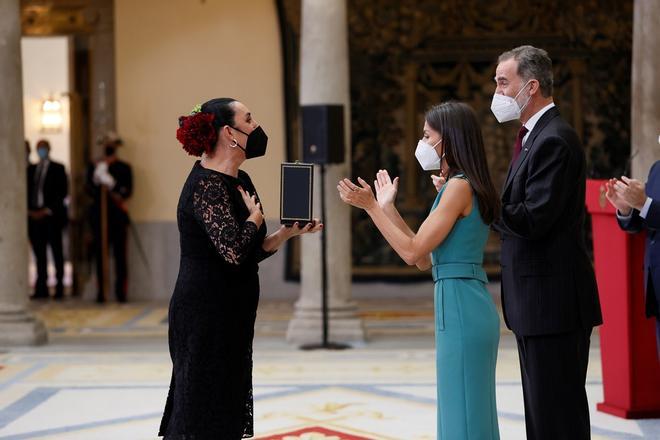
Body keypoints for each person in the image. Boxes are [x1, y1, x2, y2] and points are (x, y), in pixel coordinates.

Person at [159, 98, 322, 439]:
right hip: (205, 313)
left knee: (226, 402)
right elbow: (232, 251)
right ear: (230, 134)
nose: (256, 126)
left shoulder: (240, 179)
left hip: (232, 312)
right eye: (249, 119)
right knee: (200, 407)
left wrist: (285, 233)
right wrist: (254, 219)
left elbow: (250, 251)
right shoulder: (206, 185)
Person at [338, 101, 501, 440]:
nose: (423, 142)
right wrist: (387, 209)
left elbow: (412, 252)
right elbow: (423, 256)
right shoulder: (457, 184)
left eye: (428, 136)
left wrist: (370, 208)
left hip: (462, 303)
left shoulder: (458, 186)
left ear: (449, 139)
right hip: (458, 299)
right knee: (463, 410)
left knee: (465, 415)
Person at [491, 45, 602, 439]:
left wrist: (478, 198)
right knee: (542, 414)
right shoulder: (534, 135)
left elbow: (534, 218)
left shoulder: (554, 139)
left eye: (504, 82)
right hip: (537, 304)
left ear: (531, 85)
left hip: (552, 303)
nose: (497, 92)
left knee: (557, 416)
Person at [606, 163, 660, 356]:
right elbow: (648, 222)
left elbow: (650, 208)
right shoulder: (656, 168)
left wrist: (643, 204)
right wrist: (627, 210)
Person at [87, 132, 133, 303]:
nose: (108, 147)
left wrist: (111, 183)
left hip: (118, 218)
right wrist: (97, 180)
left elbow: (127, 191)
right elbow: (89, 190)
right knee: (100, 256)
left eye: (111, 144)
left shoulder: (124, 167)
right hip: (99, 217)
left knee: (120, 257)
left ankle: (121, 292)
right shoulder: (95, 167)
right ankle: (102, 292)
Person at [27, 139, 68, 299]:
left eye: (43, 148)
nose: (41, 151)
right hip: (35, 217)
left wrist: (47, 210)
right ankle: (41, 288)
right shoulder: (31, 169)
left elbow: (62, 193)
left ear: (49, 149)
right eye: (39, 148)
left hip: (52, 217)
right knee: (39, 255)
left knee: (57, 253)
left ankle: (59, 288)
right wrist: (31, 212)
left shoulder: (58, 168)